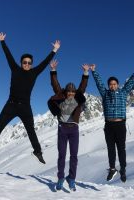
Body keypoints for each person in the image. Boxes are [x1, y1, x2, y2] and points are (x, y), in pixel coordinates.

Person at [0, 32, 61, 164]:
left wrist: (55, 50)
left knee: (31, 131)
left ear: (31, 64)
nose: (27, 64)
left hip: (25, 107)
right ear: (21, 63)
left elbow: (45, 62)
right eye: (24, 62)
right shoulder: (15, 69)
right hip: (11, 105)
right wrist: (2, 42)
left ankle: (38, 152)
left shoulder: (34, 73)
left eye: (29, 63)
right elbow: (8, 56)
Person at [91, 63, 134, 182]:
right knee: (111, 149)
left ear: (118, 85)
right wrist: (94, 72)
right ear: (108, 86)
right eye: (110, 84)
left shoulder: (123, 92)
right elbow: (99, 84)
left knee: (121, 148)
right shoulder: (105, 94)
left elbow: (131, 82)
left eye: (114, 84)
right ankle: (112, 169)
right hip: (109, 125)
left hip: (120, 125)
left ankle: (123, 169)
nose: (112, 86)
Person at [47, 60, 89, 191]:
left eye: (72, 91)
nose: (70, 93)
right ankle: (60, 178)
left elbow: (83, 87)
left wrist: (86, 73)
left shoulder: (77, 98)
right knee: (62, 155)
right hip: (62, 129)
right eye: (69, 91)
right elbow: (55, 86)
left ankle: (71, 179)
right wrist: (53, 71)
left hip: (74, 129)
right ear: (66, 92)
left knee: (74, 156)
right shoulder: (62, 97)